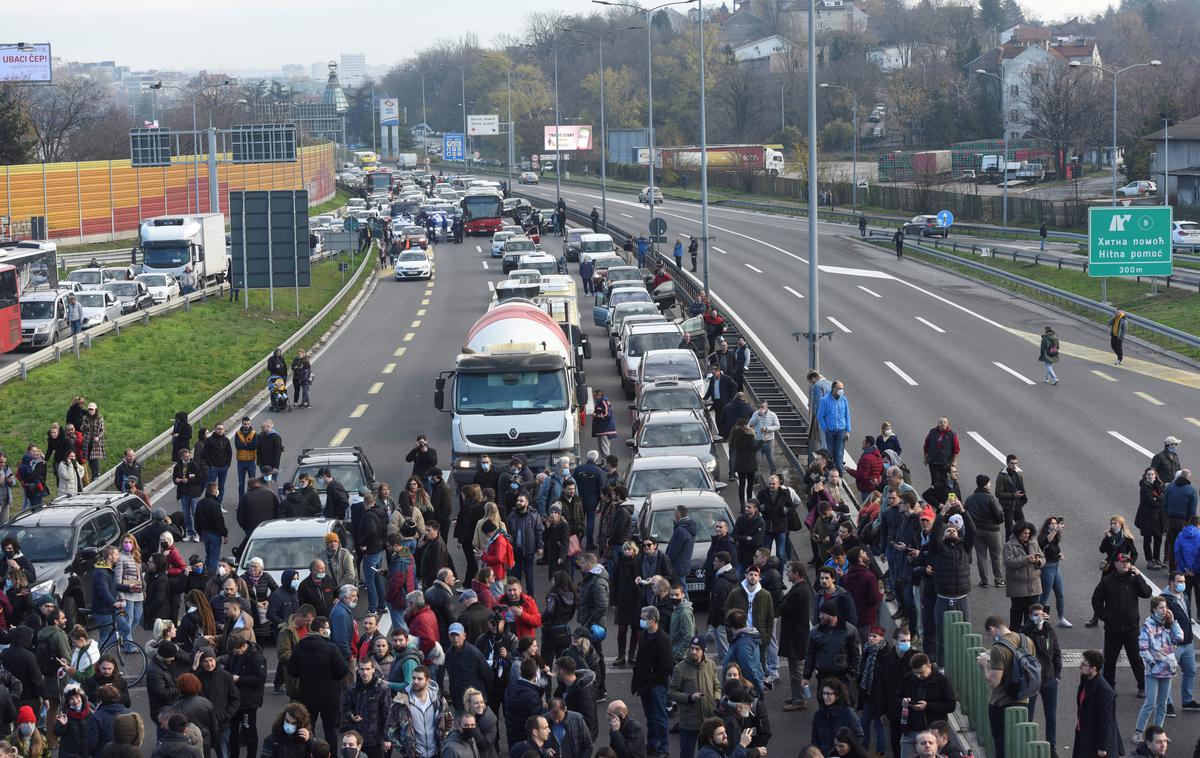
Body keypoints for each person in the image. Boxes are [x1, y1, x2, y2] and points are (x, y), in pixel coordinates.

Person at [976, 616, 1034, 758]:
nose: (990, 637)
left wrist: (985, 665)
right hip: (1024, 699)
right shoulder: (1026, 641)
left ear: (992, 628)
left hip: (1001, 702)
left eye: (989, 635)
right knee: (1019, 743)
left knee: (1001, 744)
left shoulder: (998, 648)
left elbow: (994, 681)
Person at [287, 617, 349, 746]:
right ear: (321, 630)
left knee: (308, 728)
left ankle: (310, 752)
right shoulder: (331, 648)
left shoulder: (299, 647)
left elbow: (292, 671)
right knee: (330, 729)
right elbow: (343, 670)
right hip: (330, 696)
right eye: (327, 628)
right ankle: (331, 754)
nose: (329, 630)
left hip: (307, 695)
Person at [1133, 595, 1184, 742]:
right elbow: (1143, 648)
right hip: (1153, 671)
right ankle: (1138, 732)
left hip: (1168, 669)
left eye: (1165, 607)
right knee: (1150, 703)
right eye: (1161, 607)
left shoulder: (1169, 623)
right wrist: (1153, 663)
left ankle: (1158, 735)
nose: (1164, 610)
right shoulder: (1147, 625)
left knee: (1162, 704)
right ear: (1154, 609)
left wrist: (1173, 622)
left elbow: (1179, 638)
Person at [1020, 605, 1063, 756]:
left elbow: (1057, 653)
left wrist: (1057, 675)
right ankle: (1028, 745)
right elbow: (1020, 637)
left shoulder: (1050, 631)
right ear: (1030, 616)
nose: (1039, 617)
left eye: (1041, 614)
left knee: (1051, 717)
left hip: (1049, 680)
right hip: (1032, 681)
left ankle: (1051, 749)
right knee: (1029, 715)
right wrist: (1033, 623)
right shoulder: (1027, 631)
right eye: (1035, 615)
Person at [631, 605, 672, 758]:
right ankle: (653, 743)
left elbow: (667, 666)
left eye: (643, 619)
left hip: (656, 685)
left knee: (660, 717)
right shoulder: (644, 635)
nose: (641, 621)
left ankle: (663, 748)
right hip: (645, 684)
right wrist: (636, 683)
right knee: (650, 716)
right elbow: (640, 661)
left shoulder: (663, 639)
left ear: (653, 620)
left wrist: (651, 680)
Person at [669, 636, 719, 758]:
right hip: (689, 721)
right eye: (691, 648)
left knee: (707, 754)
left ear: (703, 650)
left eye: (697, 649)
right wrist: (689, 697)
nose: (693, 652)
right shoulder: (680, 668)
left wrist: (716, 699)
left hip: (708, 720)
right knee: (687, 754)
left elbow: (717, 686)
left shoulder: (710, 665)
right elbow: (671, 692)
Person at [340, 660, 389, 758]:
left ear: (373, 669)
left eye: (368, 669)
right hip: (356, 740)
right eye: (362, 669)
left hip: (375, 740)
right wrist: (351, 715)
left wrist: (387, 738)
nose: (365, 672)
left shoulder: (382, 688)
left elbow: (387, 714)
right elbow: (345, 708)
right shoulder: (352, 688)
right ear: (358, 670)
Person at [1003, 521, 1044, 629]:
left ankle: (1030, 639)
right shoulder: (1009, 546)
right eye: (1024, 533)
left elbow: (1043, 559)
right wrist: (1025, 559)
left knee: (1031, 618)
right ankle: (1014, 638)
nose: (1027, 535)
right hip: (1018, 588)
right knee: (1016, 616)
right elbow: (1008, 562)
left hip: (1034, 587)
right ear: (1018, 533)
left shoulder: (1034, 544)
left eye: (1028, 533)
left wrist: (1038, 561)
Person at [811, 678, 862, 755]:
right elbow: (815, 738)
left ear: (837, 695)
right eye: (824, 693)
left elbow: (859, 736)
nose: (825, 697)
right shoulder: (818, 715)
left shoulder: (848, 713)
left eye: (829, 694)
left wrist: (848, 751)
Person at [1037, 517, 1071, 628]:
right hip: (1047, 568)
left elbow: (1053, 549)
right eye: (1051, 524)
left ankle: (1061, 618)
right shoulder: (1042, 537)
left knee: (1060, 594)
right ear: (1046, 525)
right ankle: (1038, 619)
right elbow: (1045, 542)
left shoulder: (1055, 537)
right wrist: (1056, 530)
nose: (1054, 525)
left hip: (1056, 567)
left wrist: (1058, 555)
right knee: (1044, 596)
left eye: (1055, 523)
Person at [816, 380, 851, 476]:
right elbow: (820, 416)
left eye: (842, 388)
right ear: (833, 388)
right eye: (839, 388)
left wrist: (848, 430)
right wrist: (825, 428)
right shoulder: (825, 400)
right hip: (830, 431)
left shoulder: (844, 400)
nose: (841, 390)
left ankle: (839, 474)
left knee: (839, 453)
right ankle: (830, 473)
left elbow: (847, 415)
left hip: (841, 430)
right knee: (830, 454)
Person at [1137, 468, 1167, 570]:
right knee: (1147, 539)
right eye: (1148, 474)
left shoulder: (1159, 486)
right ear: (1145, 476)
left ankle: (1156, 558)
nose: (1150, 476)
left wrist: (1158, 499)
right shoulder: (1144, 488)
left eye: (1152, 474)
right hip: (1147, 518)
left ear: (1155, 475)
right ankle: (1149, 560)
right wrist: (1160, 501)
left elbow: (1164, 497)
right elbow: (1150, 502)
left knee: (1158, 538)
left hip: (1159, 517)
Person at [922, 418, 959, 493]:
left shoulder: (952, 434)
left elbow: (956, 449)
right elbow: (926, 445)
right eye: (941, 422)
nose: (943, 424)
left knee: (946, 480)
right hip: (933, 461)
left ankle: (945, 495)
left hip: (946, 462)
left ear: (947, 424)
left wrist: (954, 461)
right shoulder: (932, 432)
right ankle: (936, 496)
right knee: (935, 481)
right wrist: (925, 458)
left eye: (945, 422)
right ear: (938, 424)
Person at [995, 453, 1029, 535]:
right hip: (1008, 507)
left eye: (1016, 463)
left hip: (1018, 505)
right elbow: (998, 493)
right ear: (1007, 463)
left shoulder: (1018, 474)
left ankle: (1021, 545)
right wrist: (1014, 495)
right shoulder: (1002, 476)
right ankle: (1009, 546)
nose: (1014, 465)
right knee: (1009, 530)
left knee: (1023, 527)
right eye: (1012, 463)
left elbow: (1021, 487)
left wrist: (1023, 496)